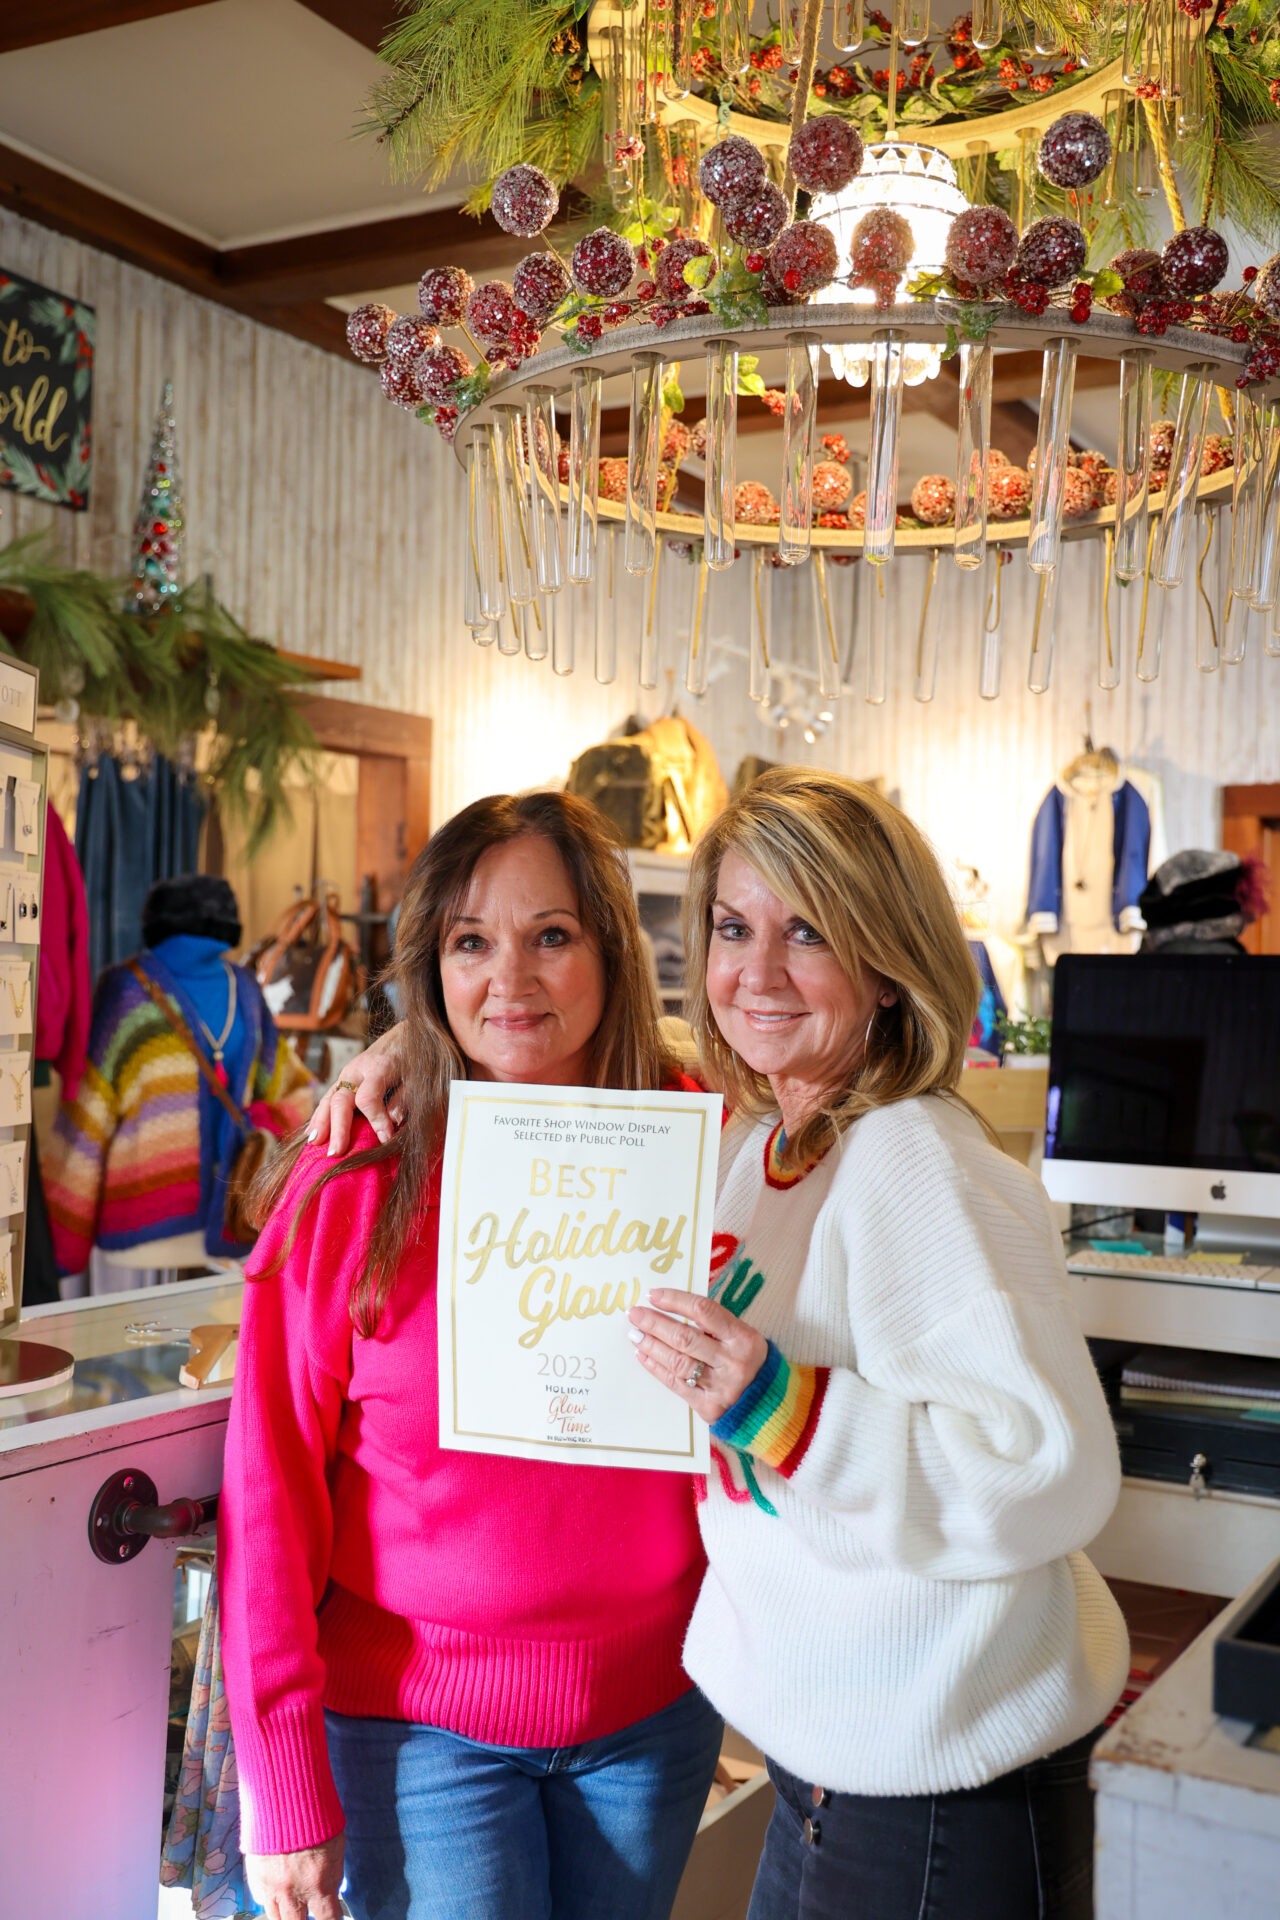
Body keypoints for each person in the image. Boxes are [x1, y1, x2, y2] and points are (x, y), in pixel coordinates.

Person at [318, 770, 1129, 1920]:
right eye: (733, 929)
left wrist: (783, 1410)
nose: (757, 972)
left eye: (808, 932)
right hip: (832, 1760)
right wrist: (432, 1035)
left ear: (887, 960)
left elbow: (1050, 1474)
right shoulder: (758, 1146)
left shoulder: (917, 1161)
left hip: (941, 1778)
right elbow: (609, 1052)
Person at [219, 791, 722, 1920]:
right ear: (429, 965)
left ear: (610, 947)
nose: (511, 979)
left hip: (655, 1716)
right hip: (419, 1734)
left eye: (552, 935)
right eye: (470, 943)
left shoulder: (701, 1142)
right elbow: (267, 1491)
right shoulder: (355, 1176)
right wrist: (281, 1783)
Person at [44, 874, 314, 1277]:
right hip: (213, 1225)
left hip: (168, 1226)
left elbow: (87, 1116)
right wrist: (261, 1122)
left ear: (154, 922)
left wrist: (65, 1243)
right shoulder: (237, 989)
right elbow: (296, 1094)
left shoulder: (131, 991)